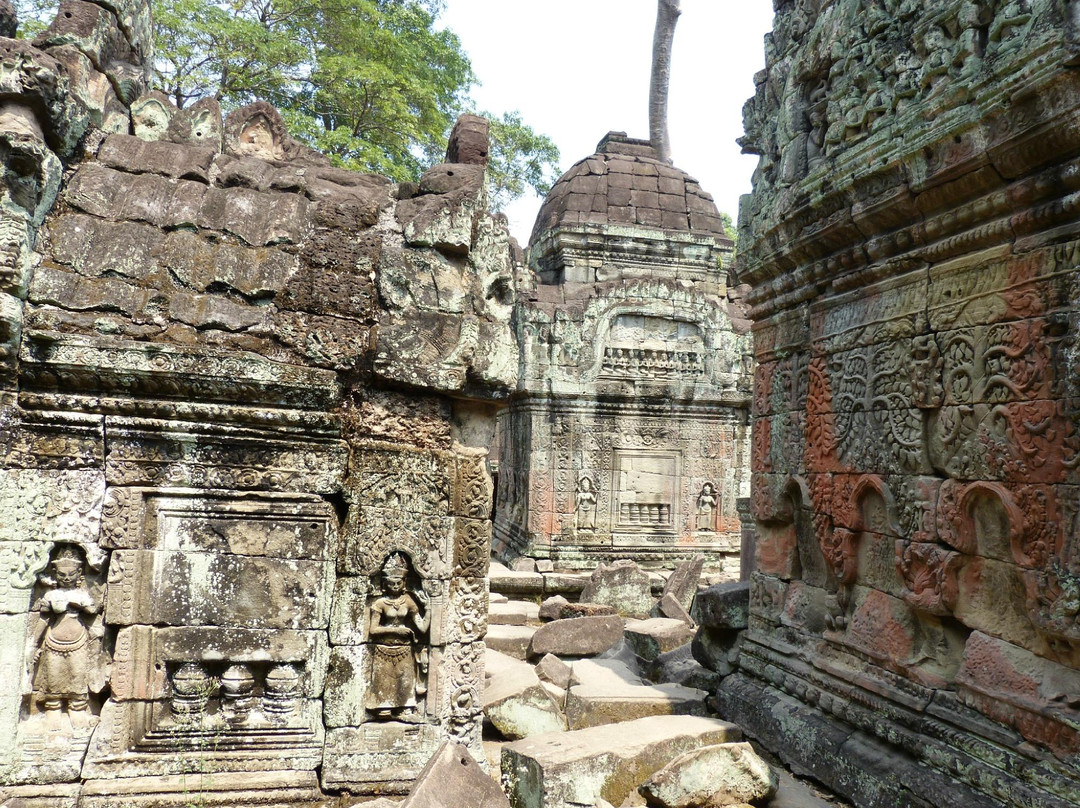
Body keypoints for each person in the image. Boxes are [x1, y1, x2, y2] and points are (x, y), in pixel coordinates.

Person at [32, 545, 99, 729]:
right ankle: (53, 708)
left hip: (78, 642)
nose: (67, 578)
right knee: (53, 676)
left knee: (77, 675)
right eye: (62, 575)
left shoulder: (81, 593)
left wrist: (79, 605)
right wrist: (34, 644)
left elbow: (93, 610)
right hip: (54, 642)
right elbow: (44, 619)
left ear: (80, 573)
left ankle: (77, 708)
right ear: (55, 573)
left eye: (71, 574)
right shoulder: (51, 593)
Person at [365, 552, 429, 719]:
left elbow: (422, 628)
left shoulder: (408, 601)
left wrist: (429, 609)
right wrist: (396, 630)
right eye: (391, 583)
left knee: (405, 681)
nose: (395, 586)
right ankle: (383, 707)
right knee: (384, 682)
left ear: (404, 583)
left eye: (398, 583)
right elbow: (373, 630)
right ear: (385, 583)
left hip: (404, 649)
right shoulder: (379, 603)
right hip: (383, 649)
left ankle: (405, 707)